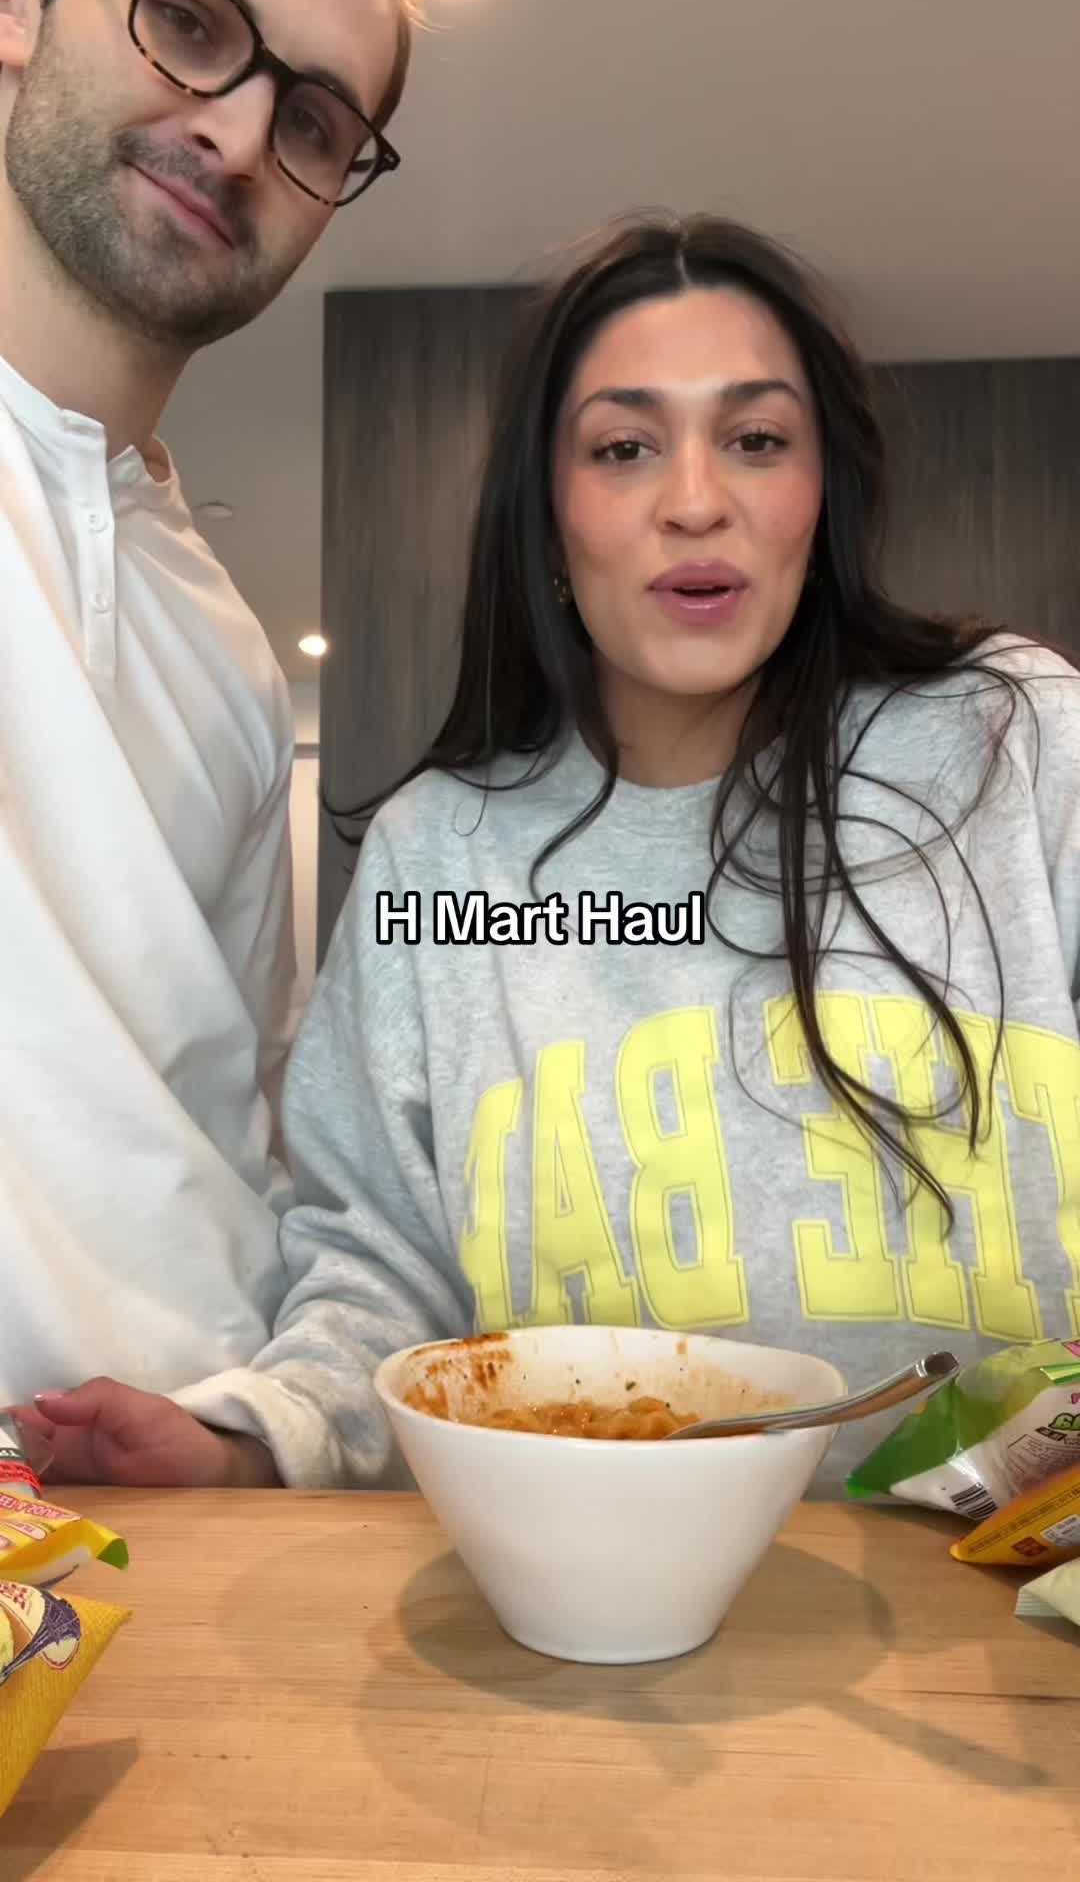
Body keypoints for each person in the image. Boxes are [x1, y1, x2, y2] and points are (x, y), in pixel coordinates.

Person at [36, 212, 1080, 1493]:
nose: (696, 502)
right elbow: (380, 1270)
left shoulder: (1016, 745)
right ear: (547, 519)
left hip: (994, 1595)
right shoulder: (443, 863)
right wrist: (256, 1441)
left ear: (825, 495)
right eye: (624, 448)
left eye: (757, 440)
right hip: (573, 1583)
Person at [0, 0, 418, 1487]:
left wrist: (244, 1440)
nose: (237, 136)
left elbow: (239, 1123)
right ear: (18, 4)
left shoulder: (235, 662)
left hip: (178, 1521)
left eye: (312, 124)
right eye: (189, 23)